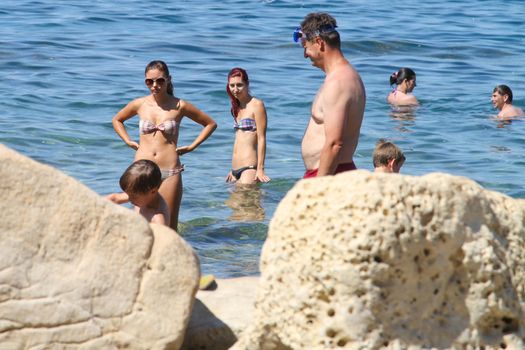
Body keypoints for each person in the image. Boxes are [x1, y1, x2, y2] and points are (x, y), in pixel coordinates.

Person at [112, 60, 217, 231]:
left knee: (169, 228)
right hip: (141, 173)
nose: (154, 85)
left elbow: (210, 124)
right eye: (149, 81)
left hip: (169, 172)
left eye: (159, 80)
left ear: (168, 79)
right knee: (141, 225)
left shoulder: (179, 105)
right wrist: (127, 140)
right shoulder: (140, 104)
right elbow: (117, 119)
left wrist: (192, 146)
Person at [294, 12, 366, 178]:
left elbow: (335, 144)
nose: (305, 55)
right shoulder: (344, 76)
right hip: (332, 171)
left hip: (329, 174)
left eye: (305, 46)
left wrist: (321, 188)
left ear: (319, 43)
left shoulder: (338, 82)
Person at [225, 68, 270, 184]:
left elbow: (261, 138)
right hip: (234, 171)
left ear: (247, 84)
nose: (235, 89)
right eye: (232, 85)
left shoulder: (257, 105)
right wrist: (232, 170)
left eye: (239, 85)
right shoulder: (235, 108)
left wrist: (260, 169)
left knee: (247, 202)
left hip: (249, 168)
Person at [106, 159, 170, 225]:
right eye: (128, 195)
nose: (130, 199)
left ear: (153, 191)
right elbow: (114, 198)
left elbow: (159, 234)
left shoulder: (157, 219)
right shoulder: (140, 197)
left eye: (133, 196)